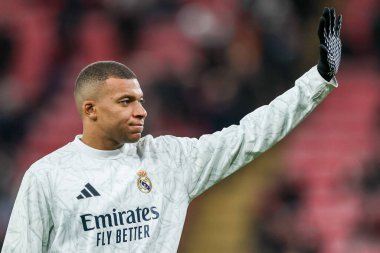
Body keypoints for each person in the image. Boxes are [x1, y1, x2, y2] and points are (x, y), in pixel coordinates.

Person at [2, 7, 342, 253]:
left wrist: (318, 80)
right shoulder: (47, 177)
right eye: (125, 102)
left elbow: (250, 134)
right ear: (90, 110)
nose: (140, 111)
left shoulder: (169, 160)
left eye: (139, 100)